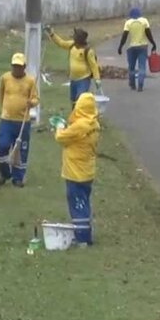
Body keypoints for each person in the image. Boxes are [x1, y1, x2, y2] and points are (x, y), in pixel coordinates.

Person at [54, 92, 101, 246]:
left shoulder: (81, 125)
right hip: (87, 170)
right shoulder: (94, 124)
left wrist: (59, 127)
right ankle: (86, 234)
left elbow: (61, 138)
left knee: (77, 204)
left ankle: (81, 239)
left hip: (75, 172)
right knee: (84, 203)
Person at [0, 53, 39, 187]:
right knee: (1, 145)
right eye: (14, 66)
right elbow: (1, 94)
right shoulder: (5, 78)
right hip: (7, 120)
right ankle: (4, 173)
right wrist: (4, 109)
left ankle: (17, 177)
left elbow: (36, 99)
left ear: (24, 67)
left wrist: (32, 103)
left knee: (21, 150)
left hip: (22, 122)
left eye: (19, 66)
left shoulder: (30, 81)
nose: (16, 69)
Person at [46, 26, 101, 106]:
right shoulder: (72, 45)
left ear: (81, 38)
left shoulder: (88, 50)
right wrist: (52, 34)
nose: (74, 37)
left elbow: (94, 66)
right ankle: (74, 116)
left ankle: (81, 116)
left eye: (76, 36)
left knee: (80, 100)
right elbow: (61, 43)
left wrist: (97, 79)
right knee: (73, 100)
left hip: (84, 79)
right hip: (73, 79)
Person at [117, 7, 157, 91]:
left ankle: (132, 84)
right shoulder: (144, 21)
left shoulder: (128, 23)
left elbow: (124, 36)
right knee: (142, 66)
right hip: (143, 47)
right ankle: (140, 84)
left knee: (131, 67)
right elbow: (148, 34)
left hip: (131, 47)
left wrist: (120, 46)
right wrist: (153, 43)